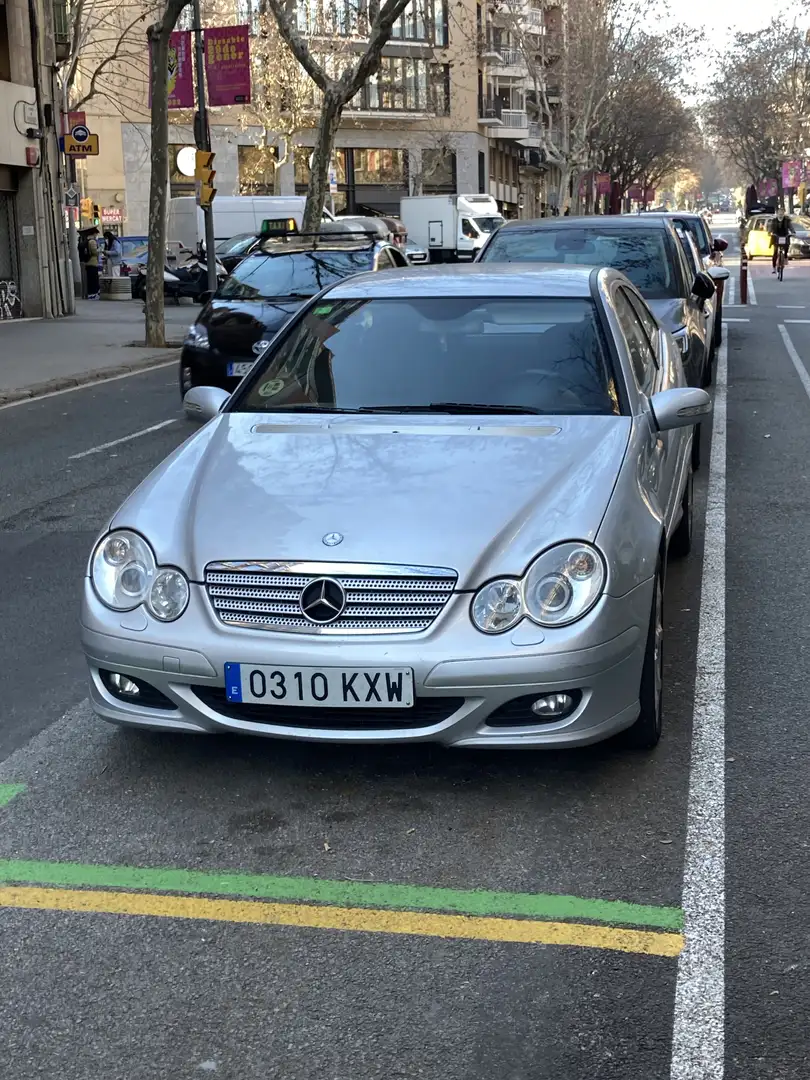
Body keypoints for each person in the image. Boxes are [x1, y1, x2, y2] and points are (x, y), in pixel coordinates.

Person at [769, 208, 793, 272]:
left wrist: (793, 232)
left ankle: (785, 256)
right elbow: (771, 228)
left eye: (782, 214)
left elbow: (790, 227)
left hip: (784, 235)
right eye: (779, 213)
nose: (780, 215)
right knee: (775, 252)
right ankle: (774, 267)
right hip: (776, 236)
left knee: (786, 246)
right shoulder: (774, 220)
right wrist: (770, 232)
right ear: (777, 214)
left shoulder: (787, 220)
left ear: (784, 214)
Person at [79, 225, 100, 298]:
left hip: (87, 263)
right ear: (94, 234)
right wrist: (99, 250)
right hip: (93, 262)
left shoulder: (86, 241)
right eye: (96, 234)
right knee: (94, 279)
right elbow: (94, 252)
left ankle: (90, 294)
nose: (97, 235)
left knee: (90, 279)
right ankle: (93, 294)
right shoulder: (92, 242)